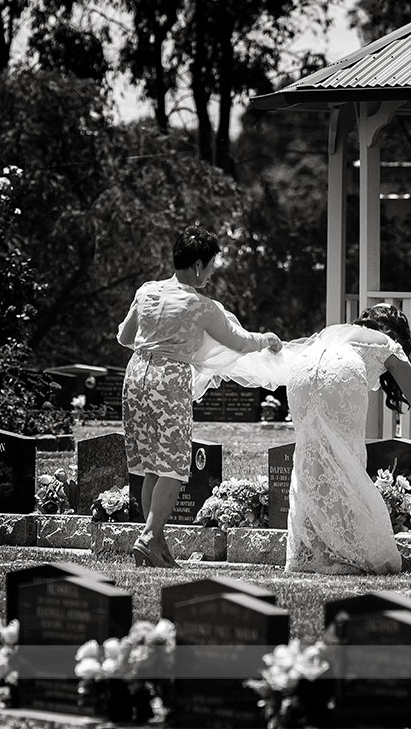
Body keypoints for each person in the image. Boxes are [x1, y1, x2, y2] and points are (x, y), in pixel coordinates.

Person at [117, 226, 282, 568]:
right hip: (169, 380)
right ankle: (147, 538)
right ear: (196, 266)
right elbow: (238, 342)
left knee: (151, 467)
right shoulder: (200, 306)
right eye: (209, 266)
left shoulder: (146, 291)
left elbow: (124, 337)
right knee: (174, 467)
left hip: (135, 377)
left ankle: (157, 547)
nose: (211, 272)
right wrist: (265, 338)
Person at [285, 304, 411, 574]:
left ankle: (312, 552)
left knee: (310, 458)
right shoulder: (389, 344)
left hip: (300, 370)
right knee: (348, 459)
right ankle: (348, 551)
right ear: (399, 333)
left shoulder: (342, 330)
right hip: (339, 372)